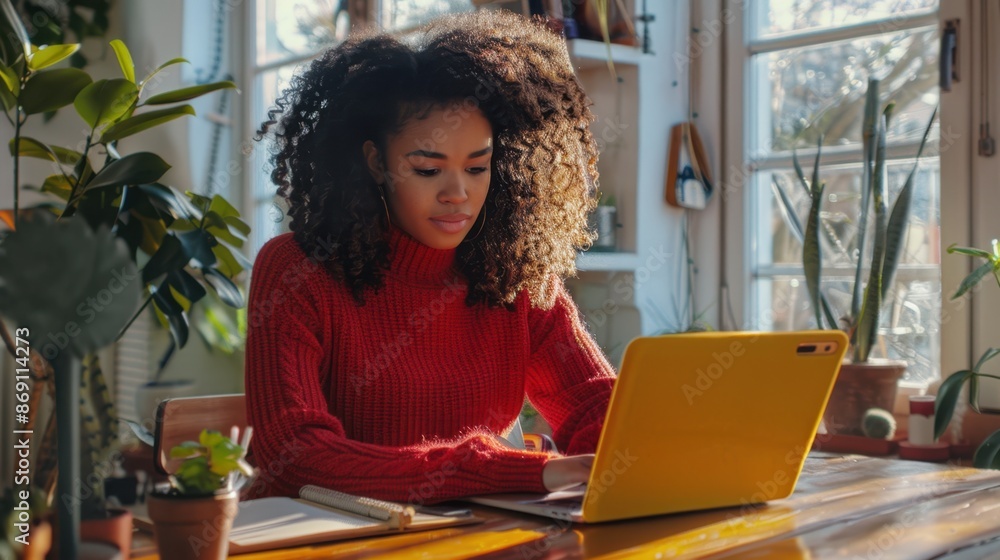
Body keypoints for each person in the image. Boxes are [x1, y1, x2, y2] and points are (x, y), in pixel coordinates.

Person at [244, 8, 616, 505]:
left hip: (472, 537)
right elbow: (295, 457)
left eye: (478, 167)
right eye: (427, 170)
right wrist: (501, 470)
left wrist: (609, 466)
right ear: (377, 162)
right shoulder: (297, 271)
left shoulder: (516, 277)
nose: (457, 194)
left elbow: (598, 406)